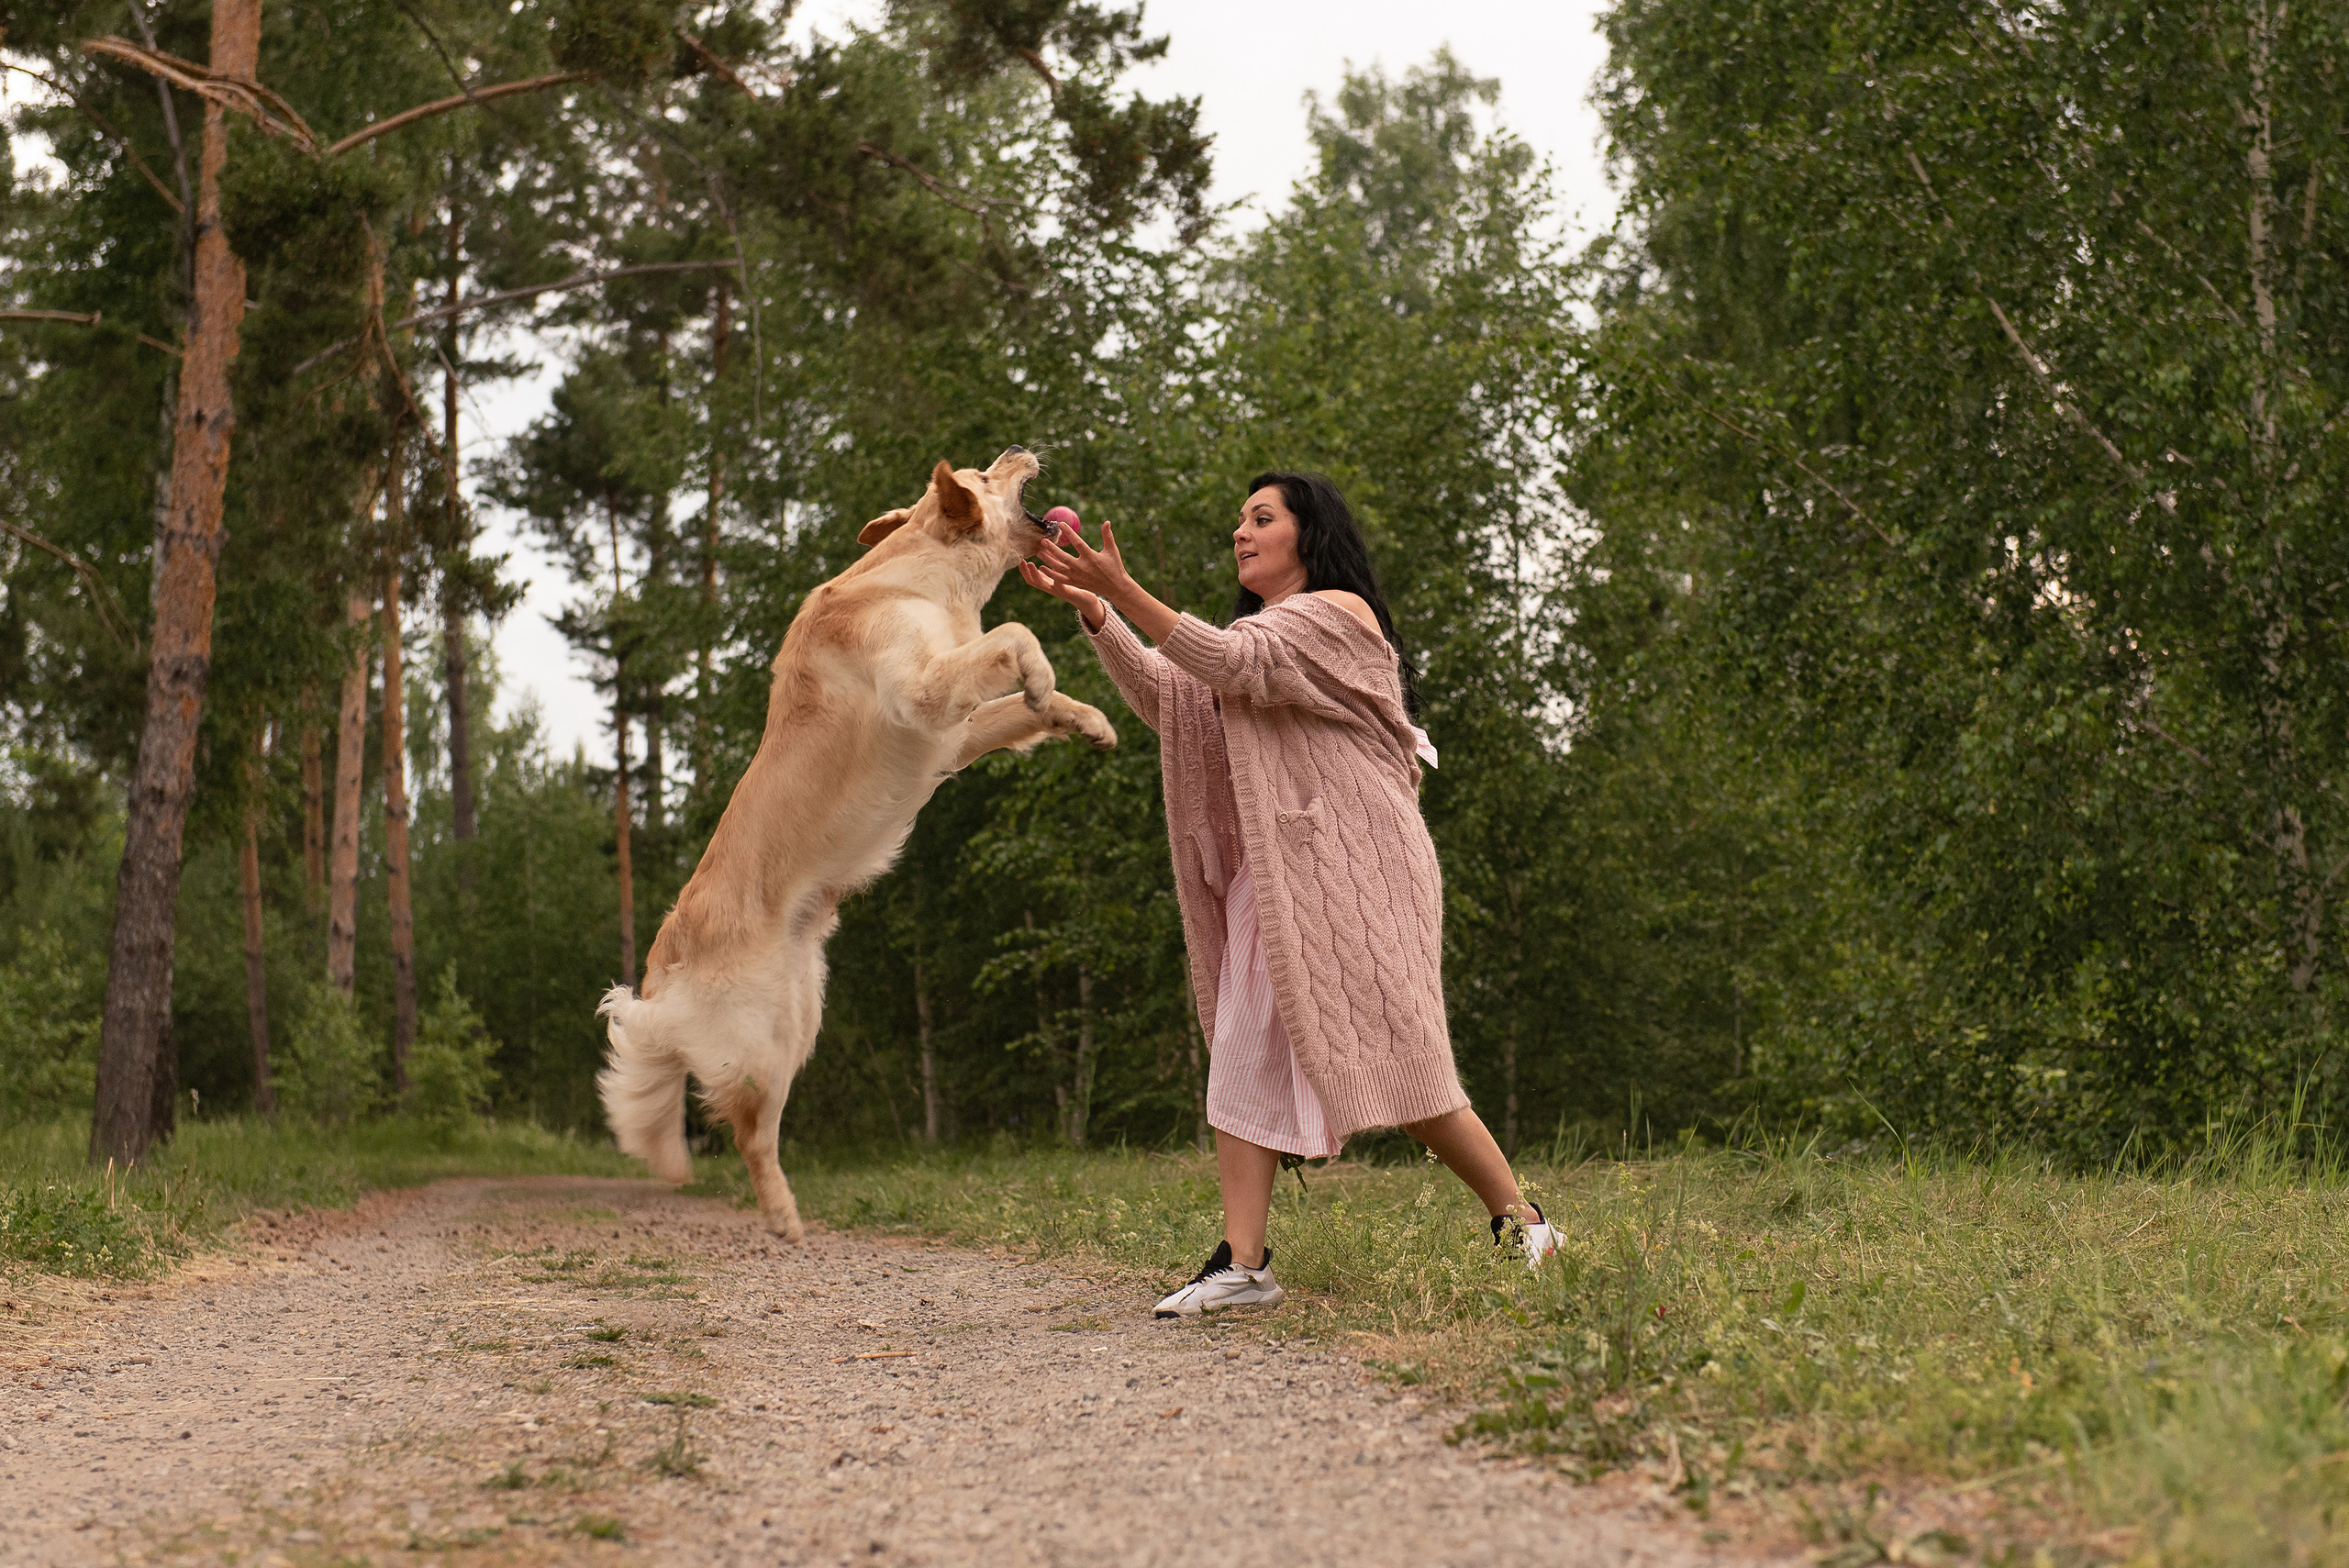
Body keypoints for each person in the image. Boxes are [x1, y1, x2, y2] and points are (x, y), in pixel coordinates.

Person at [1020, 471, 1560, 1318]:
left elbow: (1232, 659)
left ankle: (1524, 1220)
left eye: (1261, 518)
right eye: (1238, 520)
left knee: (1403, 1060)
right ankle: (1245, 1264)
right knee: (1241, 1051)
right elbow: (1174, 694)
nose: (1241, 532)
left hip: (1358, 865)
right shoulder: (1257, 637)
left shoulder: (1338, 616)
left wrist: (1120, 583)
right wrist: (1096, 611)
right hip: (1272, 874)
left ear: (1308, 536)